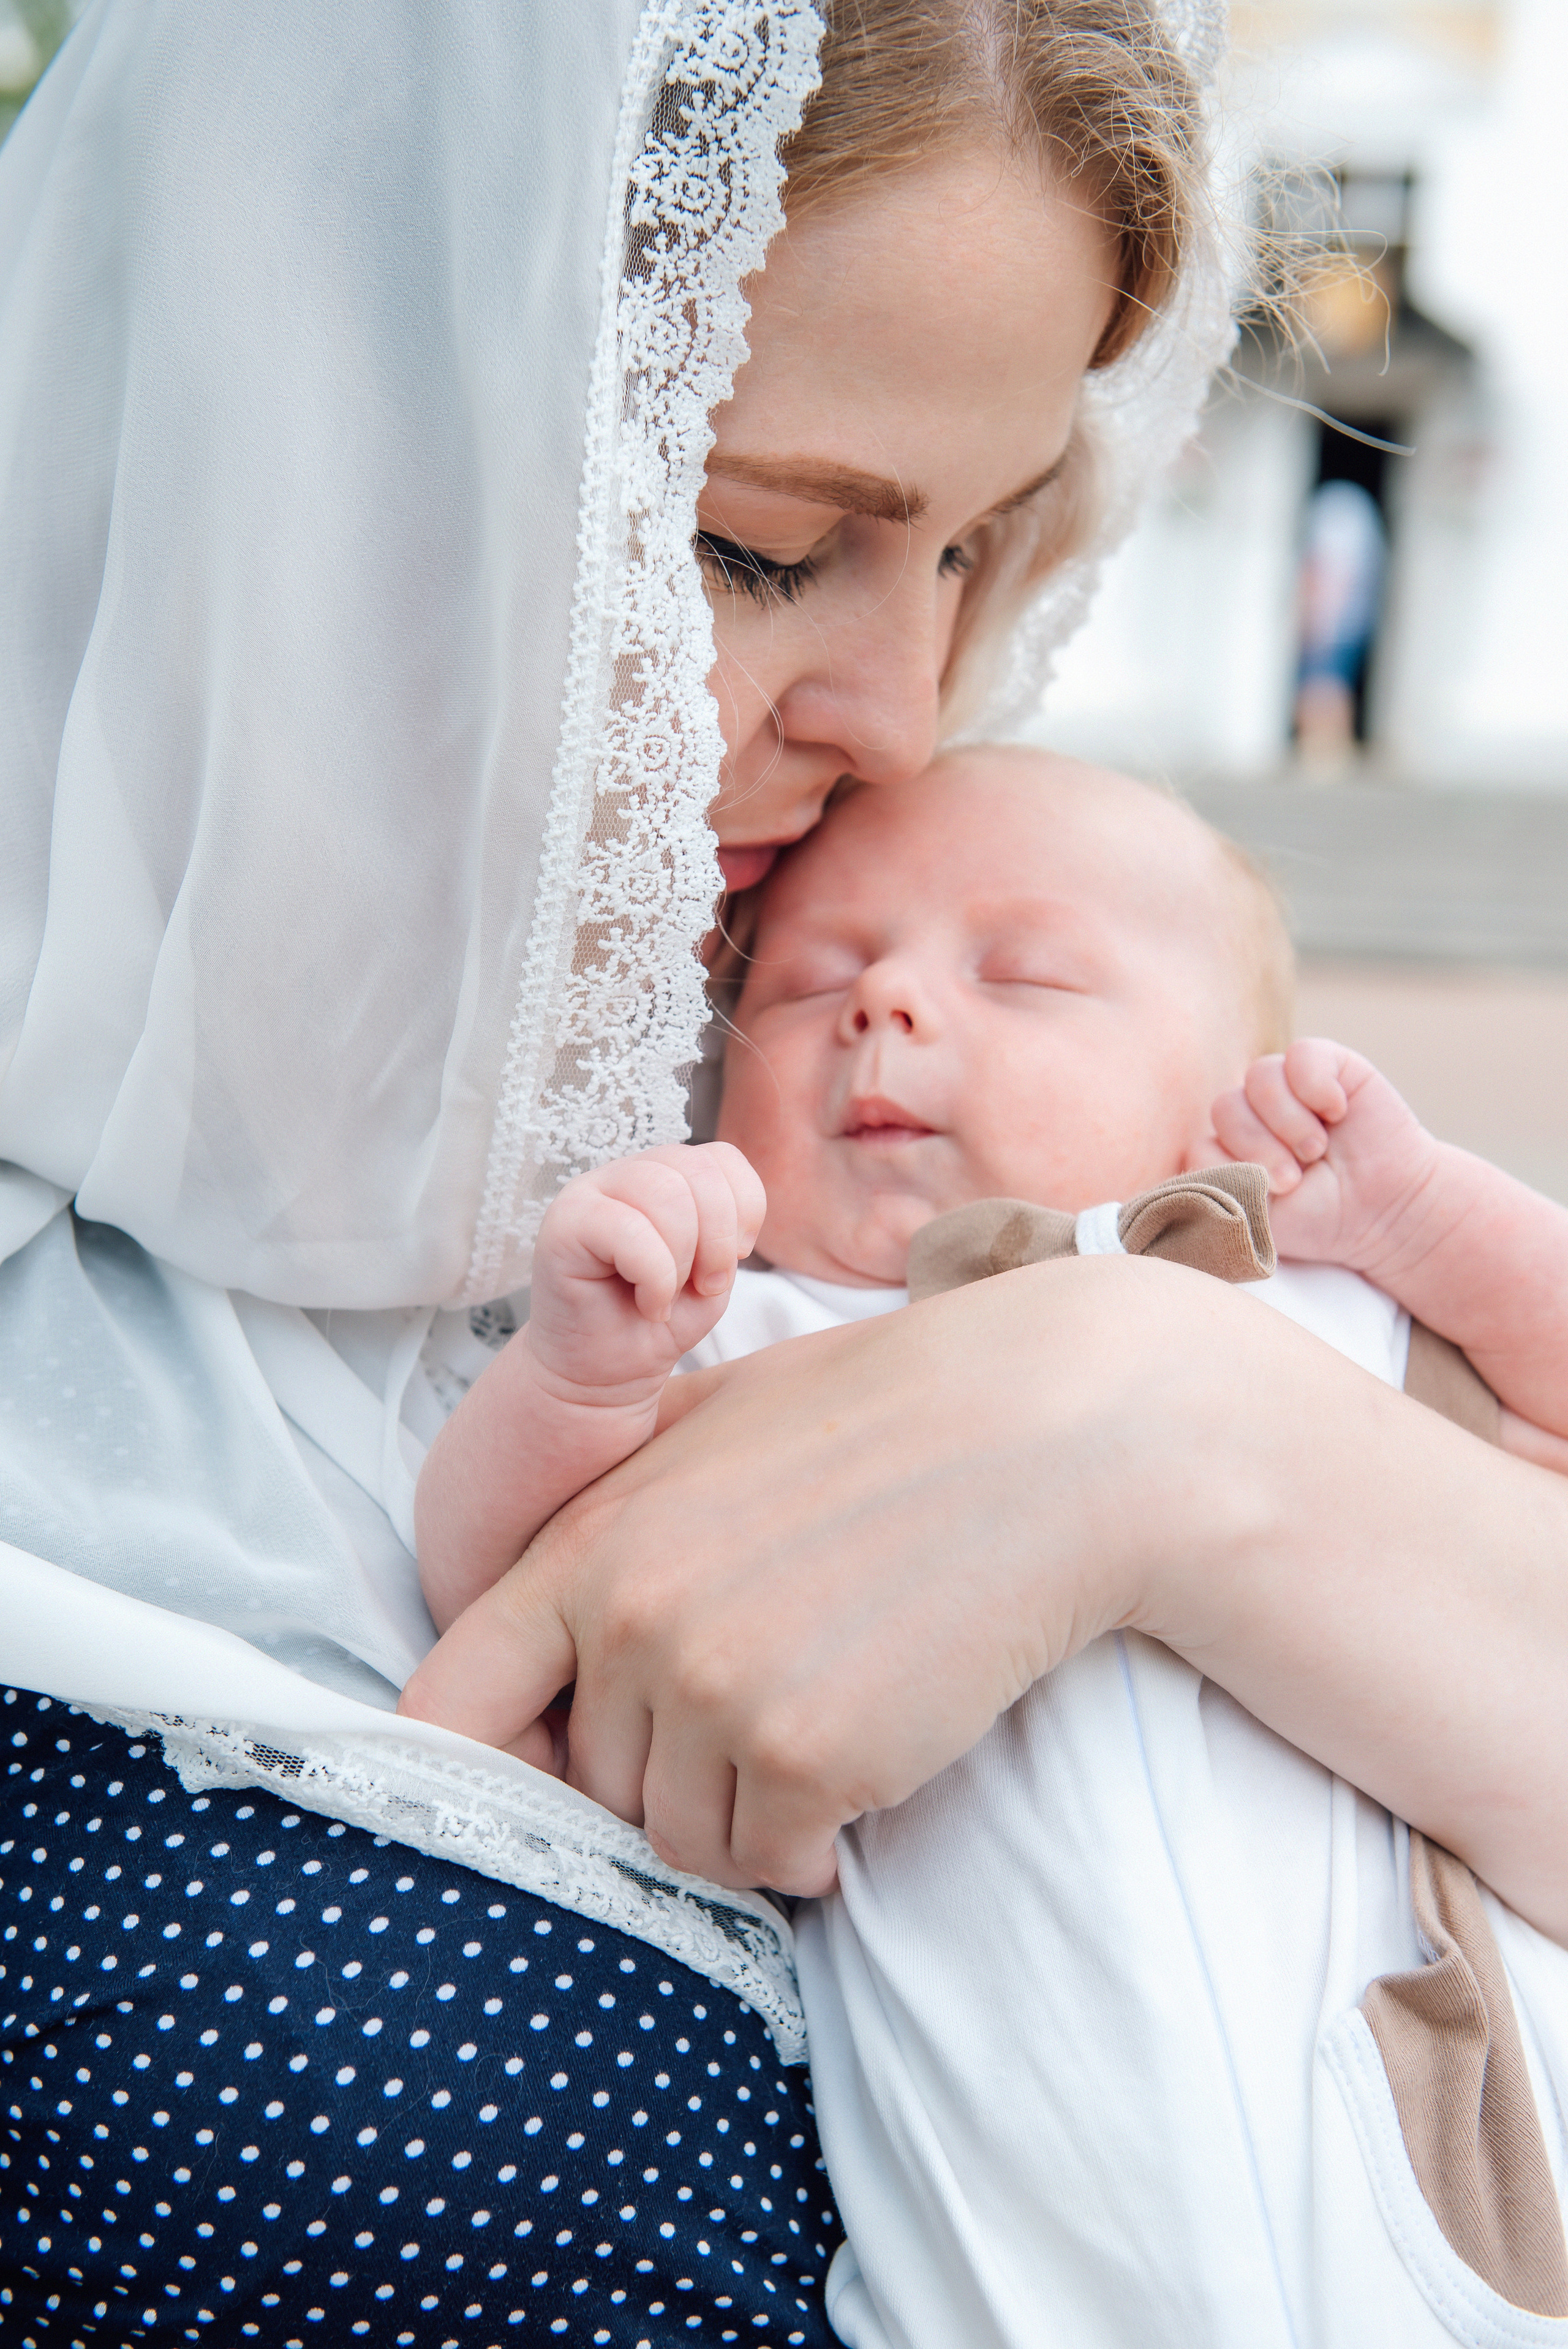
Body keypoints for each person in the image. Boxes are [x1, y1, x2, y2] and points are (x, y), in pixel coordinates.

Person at [0, 2, 1240, 2341]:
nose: (906, 713)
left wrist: (1177, 1438)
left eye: (980, 548)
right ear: (294, 447)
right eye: (755, 541)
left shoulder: (876, 1115)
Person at [404, 749, 1568, 2344]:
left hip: (1429, 2202)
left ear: (1237, 1080)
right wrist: (576, 1371)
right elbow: (513, 1589)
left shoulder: (1309, 1305)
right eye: (811, 983)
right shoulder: (754, 1329)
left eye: (1020, 974)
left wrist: (1426, 1220)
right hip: (994, 2262)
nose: (882, 1006)